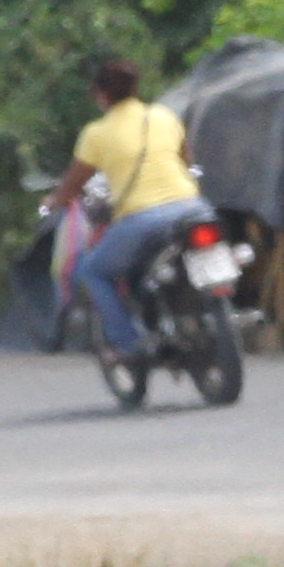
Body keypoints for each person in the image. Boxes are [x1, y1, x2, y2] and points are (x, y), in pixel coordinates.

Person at [43, 57, 206, 371]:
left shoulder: (97, 133)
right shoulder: (164, 116)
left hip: (142, 219)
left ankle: (129, 345)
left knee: (94, 272)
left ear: (101, 94)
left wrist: (54, 200)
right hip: (193, 208)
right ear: (135, 88)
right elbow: (186, 159)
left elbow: (74, 183)